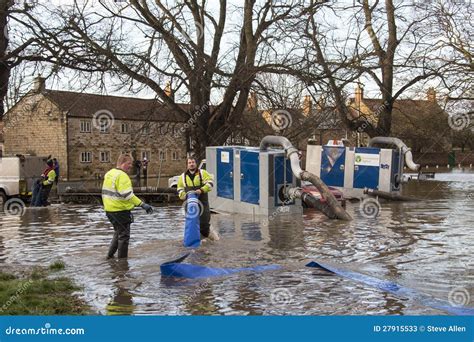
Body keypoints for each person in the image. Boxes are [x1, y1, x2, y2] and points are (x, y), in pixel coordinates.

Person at [102, 154, 153, 259]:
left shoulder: (109, 173)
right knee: (124, 238)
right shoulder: (122, 176)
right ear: (122, 163)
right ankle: (122, 264)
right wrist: (142, 204)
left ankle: (109, 257)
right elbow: (128, 195)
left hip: (109, 211)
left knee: (118, 233)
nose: (130, 166)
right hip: (120, 211)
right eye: (129, 163)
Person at [177, 157, 217, 240]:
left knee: (204, 222)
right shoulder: (182, 177)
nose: (191, 164)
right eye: (189, 163)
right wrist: (183, 195)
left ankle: (212, 237)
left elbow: (210, 184)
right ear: (187, 165)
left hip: (202, 202)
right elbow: (179, 189)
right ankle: (194, 240)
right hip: (189, 203)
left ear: (196, 164)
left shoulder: (203, 173)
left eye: (193, 162)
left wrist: (201, 190)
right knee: (191, 223)